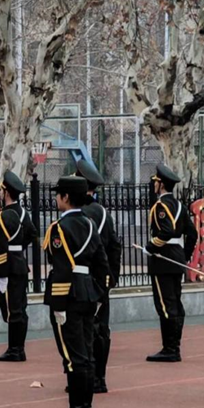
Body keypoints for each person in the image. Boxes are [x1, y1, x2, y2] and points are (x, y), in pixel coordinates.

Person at [43, 176, 113, 408]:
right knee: (86, 354)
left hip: (69, 296)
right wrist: (100, 294)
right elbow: (102, 264)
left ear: (66, 197)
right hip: (88, 293)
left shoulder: (59, 228)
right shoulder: (91, 225)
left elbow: (61, 268)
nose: (56, 198)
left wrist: (59, 305)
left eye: (58, 194)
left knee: (73, 357)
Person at [143, 164, 197, 362]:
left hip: (163, 260)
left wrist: (151, 246)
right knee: (175, 303)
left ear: (162, 184)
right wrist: (184, 256)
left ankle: (170, 349)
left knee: (166, 305)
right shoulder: (180, 206)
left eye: (156, 182)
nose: (154, 185)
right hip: (176, 259)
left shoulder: (161, 206)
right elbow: (192, 234)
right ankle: (174, 346)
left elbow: (166, 232)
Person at [76, 159, 121, 393]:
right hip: (101, 278)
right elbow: (115, 246)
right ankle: (99, 377)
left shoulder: (81, 214)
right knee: (101, 328)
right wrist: (111, 277)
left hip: (84, 279)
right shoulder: (103, 213)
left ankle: (87, 377)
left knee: (84, 330)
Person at [0, 170, 37, 362]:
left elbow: (1, 246)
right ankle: (19, 348)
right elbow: (32, 234)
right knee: (20, 307)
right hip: (20, 264)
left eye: (2, 191)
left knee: (12, 309)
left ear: (6, 192)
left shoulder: (2, 216)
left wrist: (2, 274)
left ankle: (14, 349)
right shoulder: (24, 214)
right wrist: (18, 248)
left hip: (9, 267)